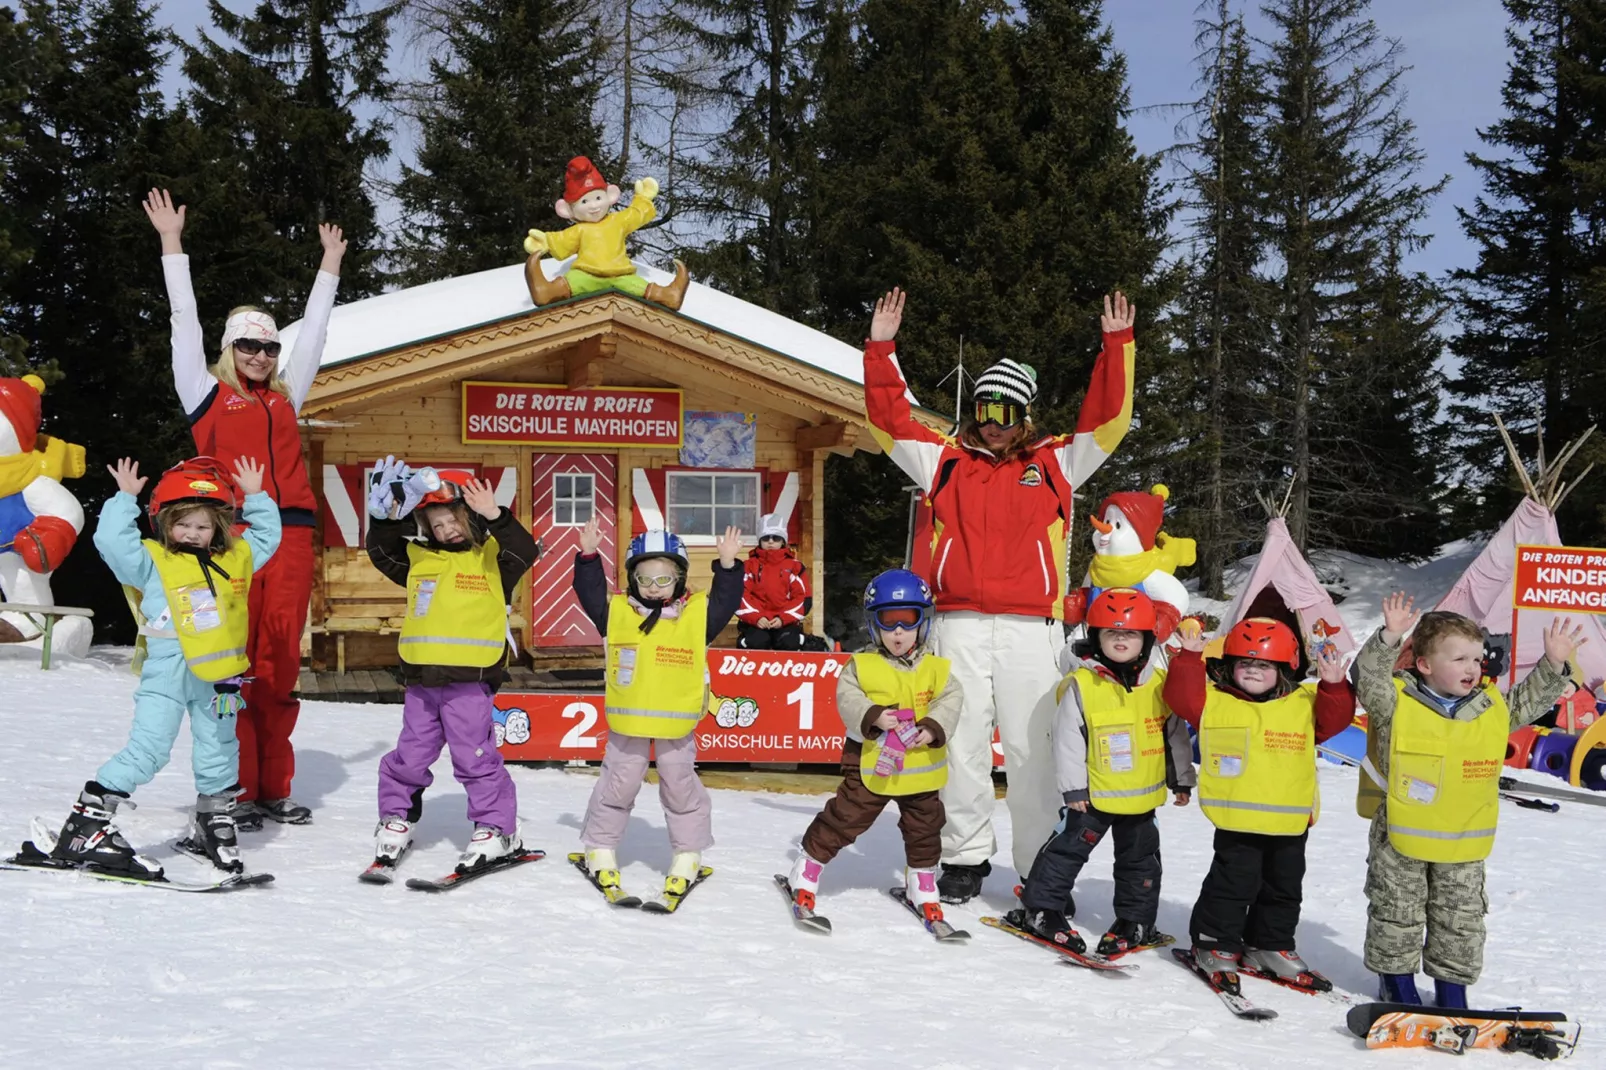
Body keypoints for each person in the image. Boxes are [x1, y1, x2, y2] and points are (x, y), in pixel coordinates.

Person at [862, 286, 1137, 903]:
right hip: (957, 621)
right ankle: (964, 856)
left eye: (1005, 414)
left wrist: (1117, 347)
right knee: (959, 743)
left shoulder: (1058, 463)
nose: (991, 424)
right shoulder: (944, 463)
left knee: (1033, 749)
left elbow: (1108, 420)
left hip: (1029, 627)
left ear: (1025, 417)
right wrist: (882, 351)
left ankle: (1041, 864)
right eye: (983, 411)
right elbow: (890, 421)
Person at [146, 188, 346, 830]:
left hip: (288, 535)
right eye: (248, 347)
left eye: (267, 349)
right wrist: (172, 245)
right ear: (229, 351)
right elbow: (184, 322)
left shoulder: (287, 397)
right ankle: (227, 785)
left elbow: (314, 333)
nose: (260, 357)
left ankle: (270, 787)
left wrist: (329, 268)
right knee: (231, 660)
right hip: (226, 539)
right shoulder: (204, 395)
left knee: (279, 659)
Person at [30, 455, 280, 879]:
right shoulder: (151, 562)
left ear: (219, 527)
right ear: (164, 523)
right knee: (149, 749)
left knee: (220, 747)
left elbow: (269, 536)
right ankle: (87, 821)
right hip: (166, 672)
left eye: (203, 525)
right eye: (183, 524)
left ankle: (213, 819)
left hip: (221, 680)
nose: (193, 533)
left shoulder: (237, 556)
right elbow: (112, 541)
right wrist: (125, 498)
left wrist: (256, 497)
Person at [1354, 593, 1581, 1008]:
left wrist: (1552, 664)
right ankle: (1396, 985)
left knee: (1460, 921)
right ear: (1424, 664)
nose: (1472, 669)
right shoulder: (1395, 701)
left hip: (1463, 841)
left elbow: (1528, 704)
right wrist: (1389, 636)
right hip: (1401, 836)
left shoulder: (1489, 707)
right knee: (1396, 912)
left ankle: (1452, 992)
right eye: (1459, 659)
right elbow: (1367, 678)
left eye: (1477, 660)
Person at [363, 462, 542, 873]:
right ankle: (396, 816)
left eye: (453, 519)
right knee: (409, 755)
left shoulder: (494, 558)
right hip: (421, 683)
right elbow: (381, 551)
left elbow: (526, 549)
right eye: (437, 525)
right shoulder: (417, 559)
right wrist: (381, 519)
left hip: (470, 683)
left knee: (475, 758)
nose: (446, 530)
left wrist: (496, 515)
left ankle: (496, 829)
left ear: (470, 516)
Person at [1166, 616, 1354, 994]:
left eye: (1264, 664)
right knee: (1231, 886)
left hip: (1289, 822)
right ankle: (1214, 944)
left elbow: (1336, 719)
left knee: (1283, 889)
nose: (1253, 670)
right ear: (1229, 666)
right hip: (1237, 819)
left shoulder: (1303, 702)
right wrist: (1189, 657)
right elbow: (1180, 697)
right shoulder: (1213, 701)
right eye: (1245, 663)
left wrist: (1334, 684)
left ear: (1283, 669)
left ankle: (1269, 945)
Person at [570, 516, 743, 904]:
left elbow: (726, 601)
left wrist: (728, 566)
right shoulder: (616, 614)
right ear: (632, 579)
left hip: (676, 728)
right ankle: (599, 847)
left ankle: (688, 854)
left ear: (679, 579)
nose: (653, 586)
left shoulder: (697, 617)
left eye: (663, 578)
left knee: (681, 790)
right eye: (645, 578)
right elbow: (590, 592)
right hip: (628, 723)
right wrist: (587, 556)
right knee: (618, 785)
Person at [1013, 588, 1195, 956]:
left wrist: (1181, 780)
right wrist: (1074, 790)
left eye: (1130, 633)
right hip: (1091, 798)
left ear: (1146, 639)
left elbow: (1173, 733)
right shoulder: (1083, 685)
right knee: (1065, 854)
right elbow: (1067, 741)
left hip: (1142, 797)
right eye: (1112, 634)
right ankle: (1042, 908)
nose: (1121, 640)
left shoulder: (1159, 685)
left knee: (1141, 864)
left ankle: (1135, 919)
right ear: (1095, 637)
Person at [785, 569, 963, 927]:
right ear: (874, 623)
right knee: (846, 817)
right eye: (889, 621)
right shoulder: (861, 665)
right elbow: (846, 699)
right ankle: (807, 868)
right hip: (870, 765)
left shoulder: (937, 669)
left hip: (920, 771)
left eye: (908, 620)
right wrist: (874, 715)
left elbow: (951, 699)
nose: (898, 631)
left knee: (926, 827)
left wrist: (932, 728)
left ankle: (923, 882)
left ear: (922, 622)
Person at [736, 513, 810, 651]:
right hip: (756, 622)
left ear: (783, 541)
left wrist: (783, 619)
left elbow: (804, 599)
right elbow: (739, 595)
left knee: (788, 641)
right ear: (759, 541)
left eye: (775, 538)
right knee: (757, 642)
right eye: (765, 538)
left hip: (785, 622)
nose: (770, 541)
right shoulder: (748, 566)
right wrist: (756, 618)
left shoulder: (795, 567)